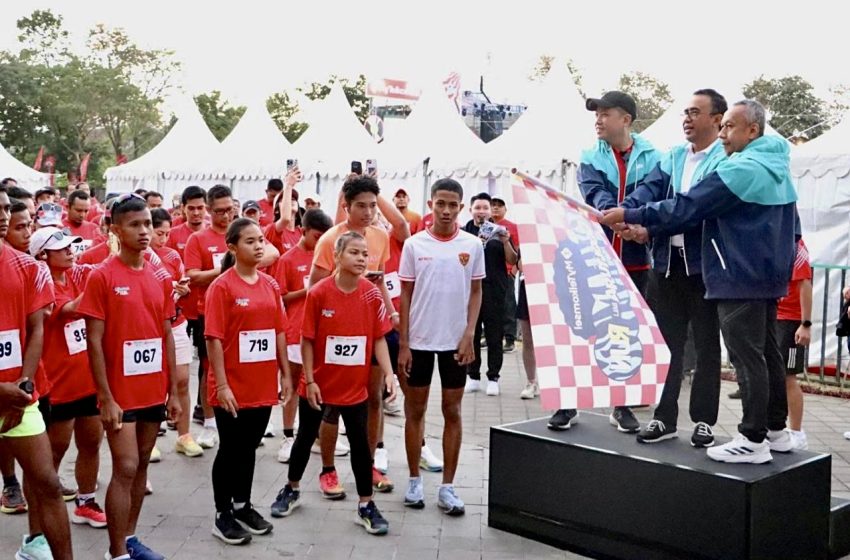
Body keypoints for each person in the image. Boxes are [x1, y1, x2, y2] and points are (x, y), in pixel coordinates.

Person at [601, 100, 798, 464]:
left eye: (729, 126)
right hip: (761, 275)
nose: (724, 133)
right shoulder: (775, 164)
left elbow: (688, 206)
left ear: (752, 131)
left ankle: (753, 439)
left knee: (744, 357)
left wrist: (631, 213)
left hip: (737, 275)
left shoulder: (741, 167)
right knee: (766, 353)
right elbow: (793, 228)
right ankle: (775, 429)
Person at [617, 89, 727, 447]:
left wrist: (644, 223)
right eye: (685, 112)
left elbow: (692, 210)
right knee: (667, 346)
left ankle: (704, 421)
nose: (687, 119)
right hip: (666, 267)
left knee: (708, 347)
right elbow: (649, 190)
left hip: (706, 268)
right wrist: (624, 212)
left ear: (717, 119)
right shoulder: (674, 156)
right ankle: (664, 418)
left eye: (696, 112)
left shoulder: (725, 160)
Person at [78, 193, 181, 560]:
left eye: (148, 225)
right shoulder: (102, 276)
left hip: (153, 389)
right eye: (135, 225)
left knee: (139, 468)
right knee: (125, 466)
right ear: (115, 229)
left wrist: (175, 392)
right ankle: (116, 552)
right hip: (120, 393)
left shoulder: (159, 276)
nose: (144, 232)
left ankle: (131, 539)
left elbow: (166, 333)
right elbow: (94, 340)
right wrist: (104, 396)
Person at [270, 232, 395, 536]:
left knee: (360, 445)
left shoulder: (371, 293)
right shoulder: (320, 292)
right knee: (304, 438)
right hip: (319, 385)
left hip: (355, 387)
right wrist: (310, 380)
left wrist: (388, 373)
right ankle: (291, 488)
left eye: (365, 254)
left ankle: (366, 504)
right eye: (354, 253)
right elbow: (308, 339)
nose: (362, 258)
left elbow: (379, 337)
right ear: (337, 256)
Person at [564, 90, 661, 434]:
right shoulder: (590, 155)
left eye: (606, 113)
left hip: (635, 259)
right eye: (597, 114)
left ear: (626, 119)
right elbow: (594, 193)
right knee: (581, 327)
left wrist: (625, 214)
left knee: (628, 333)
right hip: (595, 255)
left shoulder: (654, 156)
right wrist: (615, 216)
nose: (598, 120)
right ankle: (568, 402)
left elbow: (652, 191)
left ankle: (622, 406)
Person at [309, 174, 404, 495]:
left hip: (370, 331)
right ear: (345, 206)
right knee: (332, 405)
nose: (368, 212)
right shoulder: (329, 241)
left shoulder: (379, 237)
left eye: (372, 206)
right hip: (335, 336)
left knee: (373, 398)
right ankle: (328, 469)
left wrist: (391, 312)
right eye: (360, 206)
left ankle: (371, 462)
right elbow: (314, 289)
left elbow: (379, 283)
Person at [398, 178, 484, 514]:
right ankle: (414, 480)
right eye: (440, 204)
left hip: (455, 343)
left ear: (460, 208)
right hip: (418, 341)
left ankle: (448, 487)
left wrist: (469, 335)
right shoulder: (415, 245)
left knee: (453, 411)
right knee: (415, 411)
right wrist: (404, 343)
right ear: (431, 204)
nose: (446, 211)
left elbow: (477, 292)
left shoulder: (472, 245)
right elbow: (404, 294)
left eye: (452, 205)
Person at [205, 218, 292, 545]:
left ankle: (242, 505)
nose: (258, 246)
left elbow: (279, 332)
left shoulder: (269, 285)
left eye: (260, 241)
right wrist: (223, 385)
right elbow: (213, 338)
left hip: (262, 383)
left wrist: (285, 373)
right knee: (230, 448)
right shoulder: (222, 287)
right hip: (232, 384)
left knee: (249, 447)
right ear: (232, 247)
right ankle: (222, 513)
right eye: (250, 241)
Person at [0, 186, 73, 560]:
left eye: (2, 207)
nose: (1, 214)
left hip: (20, 396)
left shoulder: (27, 267)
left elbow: (36, 330)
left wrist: (23, 385)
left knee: (47, 481)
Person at [31, 227, 108, 529]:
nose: (70, 251)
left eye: (72, 246)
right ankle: (42, 507)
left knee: (91, 441)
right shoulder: (42, 284)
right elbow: (72, 309)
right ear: (42, 255)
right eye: (61, 248)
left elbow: (100, 266)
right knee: (54, 450)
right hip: (57, 384)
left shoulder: (77, 275)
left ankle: (85, 501)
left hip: (87, 380)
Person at [274, 209, 334, 464]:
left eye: (324, 237)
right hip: (295, 329)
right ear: (303, 231)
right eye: (316, 236)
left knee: (320, 380)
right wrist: (307, 290)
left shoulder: (327, 255)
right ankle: (289, 435)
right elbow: (280, 298)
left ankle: (319, 436)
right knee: (294, 380)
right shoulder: (288, 260)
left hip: (321, 330)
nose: (320, 242)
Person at [150, 209, 203, 457]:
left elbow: (185, 285)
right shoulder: (138, 258)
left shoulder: (172, 255)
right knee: (153, 383)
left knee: (181, 380)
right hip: (149, 329)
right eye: (158, 233)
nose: (163, 238)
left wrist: (181, 289)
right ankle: (149, 442)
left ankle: (184, 435)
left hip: (176, 323)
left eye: (166, 233)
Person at [462, 193, 517, 396]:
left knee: (495, 334)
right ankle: (472, 375)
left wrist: (505, 242)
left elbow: (512, 259)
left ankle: (493, 377)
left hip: (495, 288)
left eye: (485, 208)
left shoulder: (500, 232)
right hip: (469, 289)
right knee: (471, 332)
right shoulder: (463, 232)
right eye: (478, 207)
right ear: (471, 210)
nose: (482, 211)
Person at [776, 238, 813, 450]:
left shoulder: (796, 246)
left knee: (789, 376)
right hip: (773, 315)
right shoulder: (774, 239)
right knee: (774, 375)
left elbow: (805, 282)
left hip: (791, 320)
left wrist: (805, 323)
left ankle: (797, 432)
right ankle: (775, 427)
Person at [490, 197, 519, 354]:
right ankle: (490, 336)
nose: (495, 208)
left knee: (508, 305)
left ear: (505, 209)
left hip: (506, 272)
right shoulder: (485, 226)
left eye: (499, 206)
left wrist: (514, 271)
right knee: (490, 305)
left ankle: (509, 338)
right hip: (488, 272)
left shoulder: (512, 227)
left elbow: (519, 250)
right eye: (493, 205)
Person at [264, 169, 302, 254]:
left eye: (294, 199)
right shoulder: (272, 230)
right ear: (276, 210)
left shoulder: (301, 233)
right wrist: (289, 185)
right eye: (284, 200)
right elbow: (285, 219)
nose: (291, 199)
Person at [63, 190, 101, 255]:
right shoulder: (58, 228)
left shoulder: (94, 229)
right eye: (78, 210)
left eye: (86, 211)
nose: (82, 215)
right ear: (67, 207)